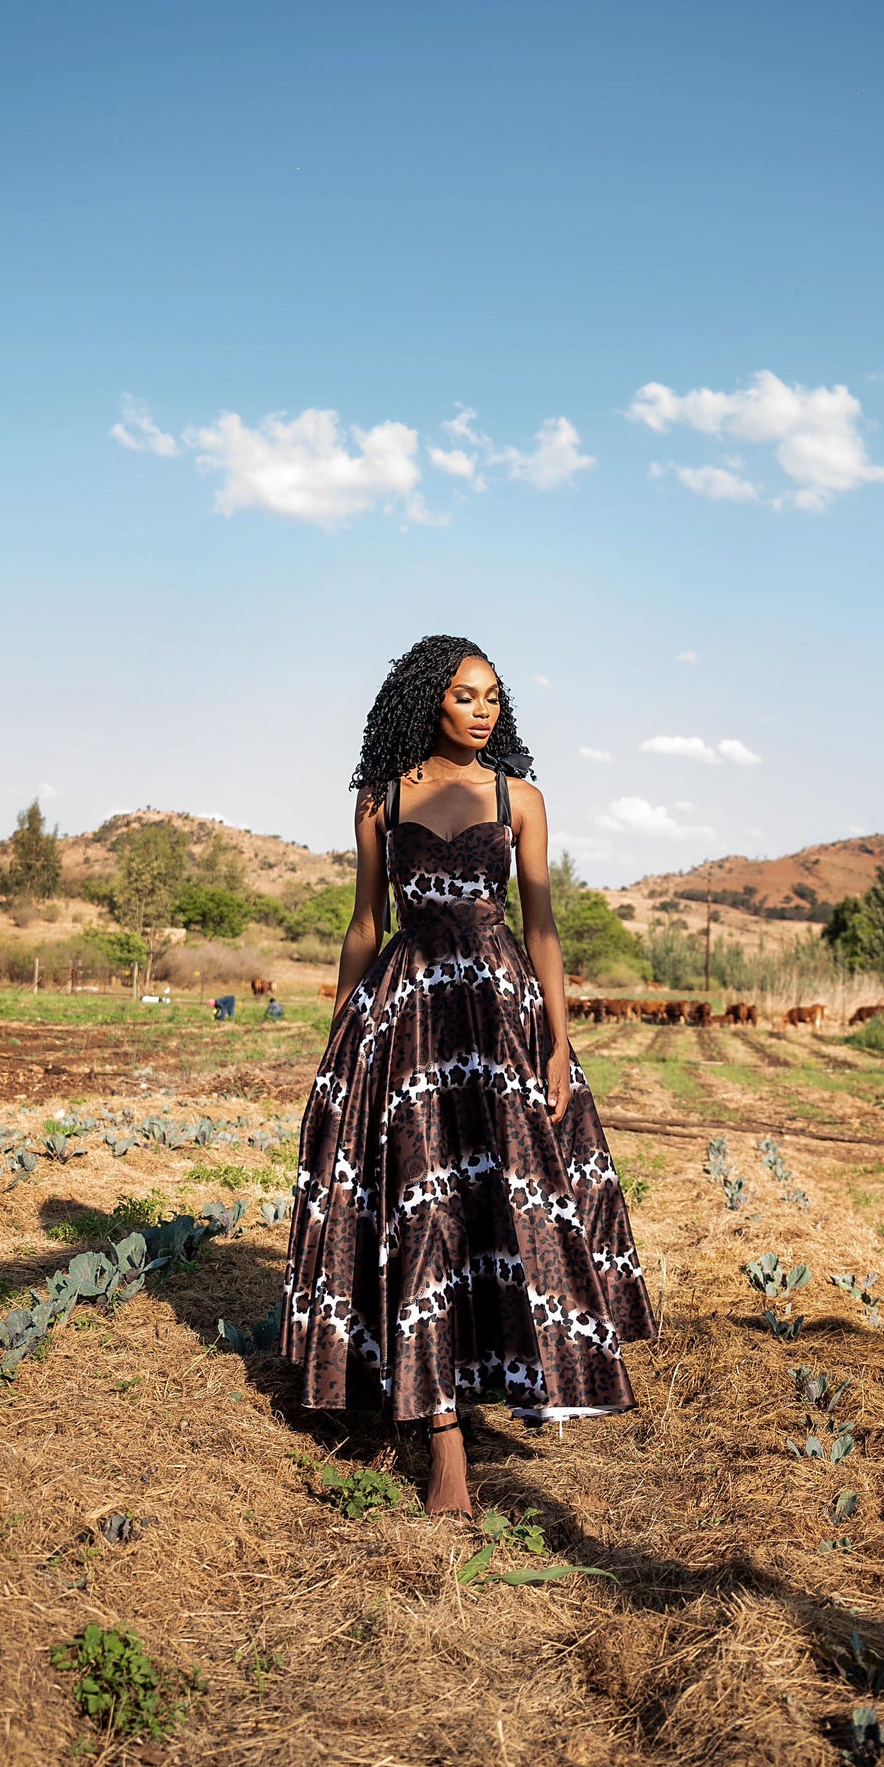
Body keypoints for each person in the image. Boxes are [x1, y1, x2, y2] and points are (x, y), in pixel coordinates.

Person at [280, 634, 656, 1518]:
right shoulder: (380, 800)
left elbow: (543, 928)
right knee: (422, 1207)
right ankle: (441, 1434)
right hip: (406, 1019)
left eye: (492, 697)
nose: (482, 712)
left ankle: (509, 1370)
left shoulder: (518, 798)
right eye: (464, 696)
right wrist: (342, 1038)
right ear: (427, 701)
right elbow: (365, 923)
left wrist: (558, 1044)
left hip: (498, 1018)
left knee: (502, 1204)